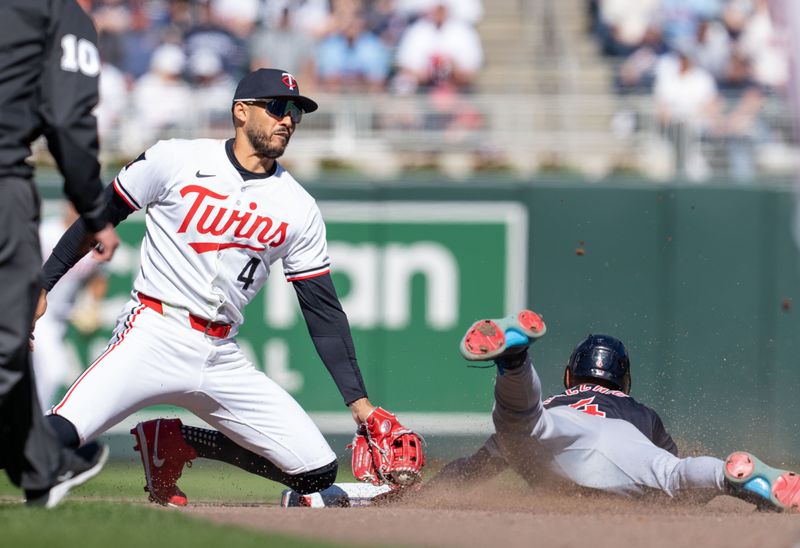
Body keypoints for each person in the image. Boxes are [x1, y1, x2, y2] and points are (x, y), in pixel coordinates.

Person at [35, 68, 416, 507]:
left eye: (295, 111)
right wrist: (44, 284)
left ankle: (175, 442)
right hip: (153, 333)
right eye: (276, 107)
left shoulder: (298, 206)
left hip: (221, 355)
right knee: (55, 435)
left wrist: (361, 406)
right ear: (240, 111)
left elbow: (323, 311)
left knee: (317, 471)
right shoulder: (175, 159)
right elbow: (97, 216)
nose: (287, 119)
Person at [427, 310, 800, 512]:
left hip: (556, 430)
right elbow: (672, 488)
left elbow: (469, 470)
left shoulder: (557, 402)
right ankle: (731, 475)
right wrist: (726, 490)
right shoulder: (640, 411)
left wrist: (426, 495)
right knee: (673, 477)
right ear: (624, 381)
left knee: (519, 424)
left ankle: (516, 362)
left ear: (570, 374)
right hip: (620, 442)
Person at [0, 0, 119, 507]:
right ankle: (42, 466)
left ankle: (41, 468)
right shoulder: (60, 13)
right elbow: (69, 119)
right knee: (9, 346)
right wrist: (95, 211)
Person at [34, 205, 109, 411]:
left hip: (61, 317)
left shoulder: (96, 240)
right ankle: (35, 429)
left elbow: (99, 277)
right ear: (67, 206)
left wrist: (92, 305)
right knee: (54, 371)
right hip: (35, 314)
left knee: (37, 375)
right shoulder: (46, 233)